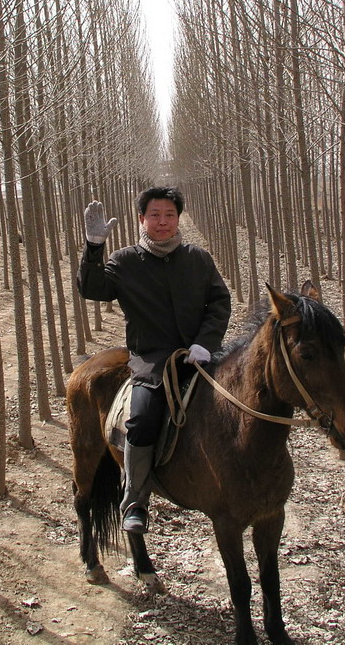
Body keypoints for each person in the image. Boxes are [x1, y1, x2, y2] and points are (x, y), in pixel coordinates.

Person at [78, 186, 231, 534]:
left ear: (179, 219)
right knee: (143, 419)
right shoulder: (125, 261)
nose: (163, 222)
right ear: (141, 219)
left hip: (200, 357)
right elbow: (91, 288)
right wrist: (94, 247)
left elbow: (220, 303)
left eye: (170, 215)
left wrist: (205, 344)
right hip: (152, 362)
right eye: (155, 215)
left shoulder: (198, 259)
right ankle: (134, 500)